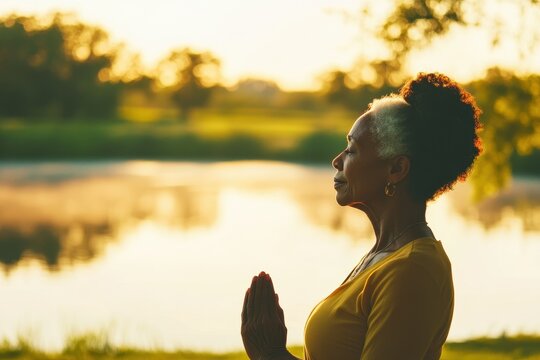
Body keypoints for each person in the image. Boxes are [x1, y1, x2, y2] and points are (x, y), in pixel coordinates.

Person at [241, 72, 482, 360]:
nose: (337, 161)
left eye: (352, 149)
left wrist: (272, 355)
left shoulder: (413, 268)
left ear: (396, 170)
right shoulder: (383, 257)